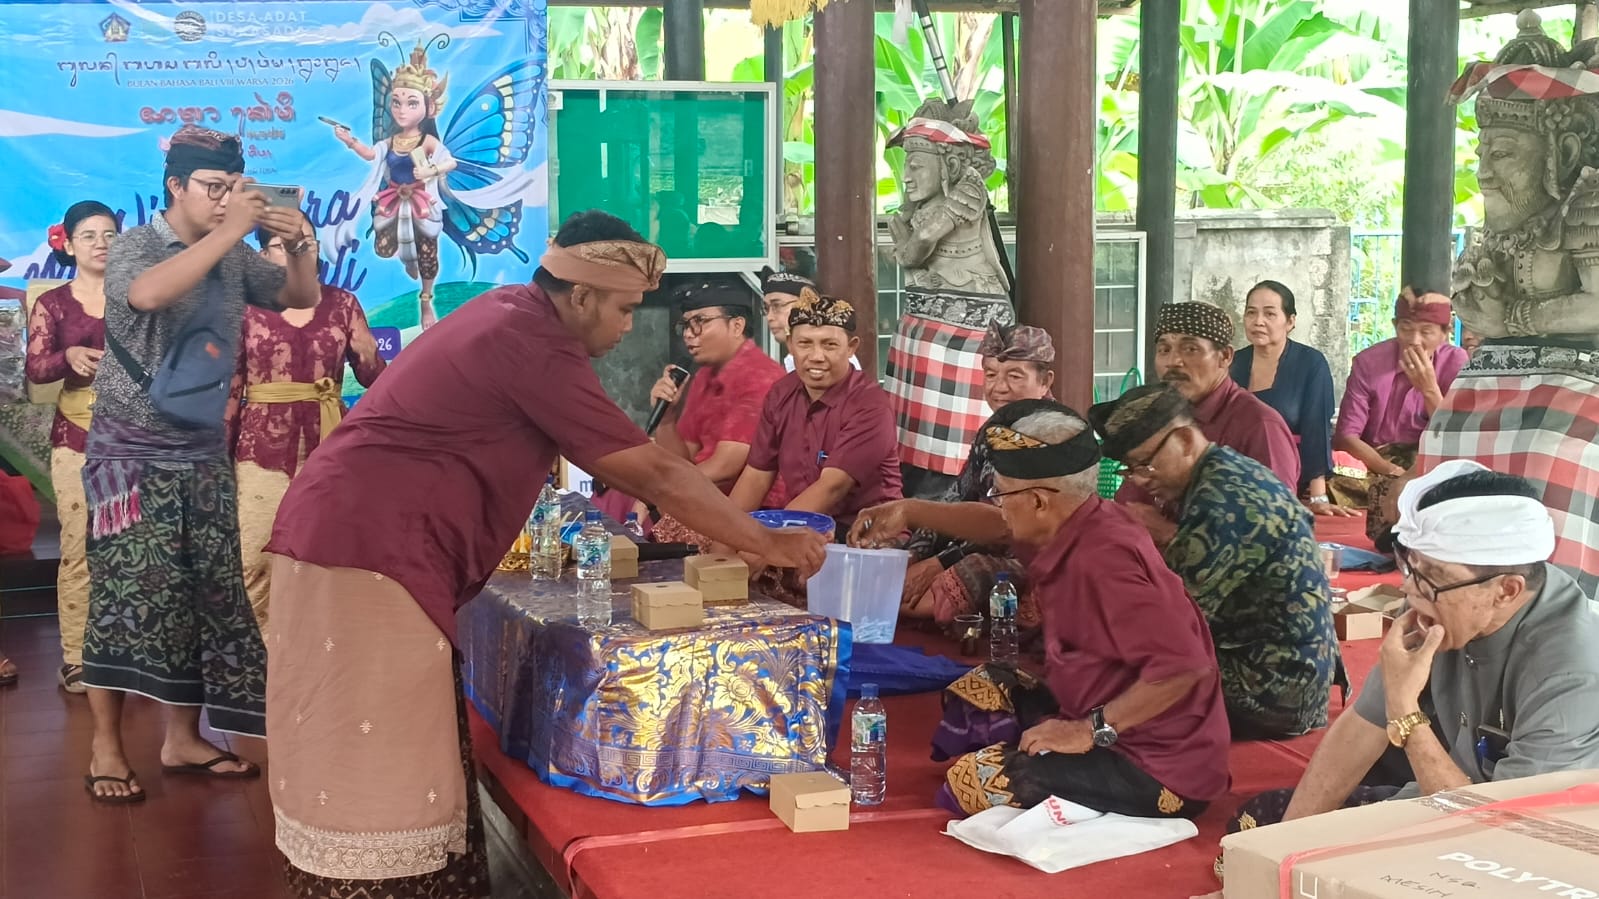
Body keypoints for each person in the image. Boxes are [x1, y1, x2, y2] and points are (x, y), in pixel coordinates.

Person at [263, 211, 826, 899]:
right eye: (622, 308)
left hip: (357, 540)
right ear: (581, 296)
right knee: (375, 763)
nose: (627, 327)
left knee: (399, 745)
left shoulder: (510, 312)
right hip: (364, 549)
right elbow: (651, 472)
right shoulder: (528, 339)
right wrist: (766, 541)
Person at [80, 124, 320, 804]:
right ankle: (105, 744)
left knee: (203, 597)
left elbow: (299, 297)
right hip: (130, 456)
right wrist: (231, 231)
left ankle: (181, 738)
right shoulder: (133, 246)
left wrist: (301, 245)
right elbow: (147, 296)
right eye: (213, 189)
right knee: (125, 602)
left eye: (234, 190)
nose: (225, 201)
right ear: (176, 186)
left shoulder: (234, 256)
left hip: (201, 451)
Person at [1230, 461, 1599, 833]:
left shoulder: (1572, 672)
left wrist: (1405, 711)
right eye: (1412, 568)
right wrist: (1287, 843)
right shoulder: (1440, 596)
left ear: (1506, 591)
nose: (1409, 590)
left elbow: (1496, 832)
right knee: (1264, 824)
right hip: (1454, 790)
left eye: (1432, 576)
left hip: (1528, 837)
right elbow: (1363, 725)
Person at [925, 400, 1230, 818]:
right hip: (1099, 709)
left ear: (1038, 502)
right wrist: (907, 510)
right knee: (982, 689)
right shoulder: (1081, 520)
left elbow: (1185, 667)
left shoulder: (1104, 559)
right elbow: (995, 526)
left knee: (974, 781)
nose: (997, 504)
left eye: (1000, 493)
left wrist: (1089, 730)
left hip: (1159, 765)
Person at [1090, 385, 1342, 739]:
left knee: (1105, 673)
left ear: (1188, 441)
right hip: (1268, 664)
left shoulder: (1226, 499)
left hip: (1275, 688)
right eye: (1131, 470)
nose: (1142, 481)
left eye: (1146, 465)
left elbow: (1171, 619)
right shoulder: (1220, 472)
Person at [228, 225, 387, 629]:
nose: (296, 252)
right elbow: (230, 388)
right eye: (281, 245)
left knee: (328, 558)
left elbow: (375, 380)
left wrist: (369, 355)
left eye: (305, 244)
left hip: (329, 451)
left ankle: (322, 656)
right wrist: (217, 458)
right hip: (260, 450)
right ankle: (264, 660)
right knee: (255, 557)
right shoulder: (245, 309)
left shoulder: (342, 303)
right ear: (264, 256)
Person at [849, 321, 1055, 632]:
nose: (999, 387)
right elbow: (957, 496)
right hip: (977, 541)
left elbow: (1008, 529)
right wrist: (914, 555)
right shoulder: (994, 429)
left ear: (1045, 381)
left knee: (953, 582)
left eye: (1014, 376)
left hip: (1031, 553)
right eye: (990, 374)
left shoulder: (1054, 433)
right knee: (889, 567)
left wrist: (939, 563)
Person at [25, 200, 118, 694]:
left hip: (133, 442)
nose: (101, 244)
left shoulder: (138, 298)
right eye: (90, 235)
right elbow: (36, 369)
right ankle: (77, 656)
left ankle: (129, 654)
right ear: (69, 243)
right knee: (81, 548)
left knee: (129, 551)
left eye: (109, 234)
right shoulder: (54, 304)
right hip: (77, 440)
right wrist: (69, 355)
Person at [729, 290, 903, 535]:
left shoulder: (869, 404)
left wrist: (767, 545)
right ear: (790, 345)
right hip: (799, 524)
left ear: (851, 347)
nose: (816, 357)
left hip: (867, 534)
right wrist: (725, 541)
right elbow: (756, 476)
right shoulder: (781, 394)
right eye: (805, 344)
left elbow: (832, 488)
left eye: (830, 345)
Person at [1118, 302, 1299, 527]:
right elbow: (1129, 505)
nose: (1173, 362)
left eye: (1190, 349)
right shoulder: (1155, 419)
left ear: (1225, 357)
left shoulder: (1260, 425)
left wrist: (1169, 535)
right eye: (1164, 350)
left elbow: (1278, 528)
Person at [644, 279, 787, 544]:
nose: (689, 334)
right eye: (685, 325)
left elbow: (726, 467)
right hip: (707, 505)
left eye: (699, 321)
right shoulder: (703, 377)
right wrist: (666, 420)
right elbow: (684, 460)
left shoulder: (760, 377)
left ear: (736, 325)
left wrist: (659, 487)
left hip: (755, 519)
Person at [1329, 288, 1468, 539]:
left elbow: (1454, 434)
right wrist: (1390, 470)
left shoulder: (1457, 362)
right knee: (1339, 477)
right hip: (1376, 459)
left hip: (1427, 459)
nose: (1414, 339)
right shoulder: (1368, 362)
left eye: (1426, 331)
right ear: (1394, 326)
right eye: (1406, 328)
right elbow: (1347, 436)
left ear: (1445, 334)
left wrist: (1428, 388)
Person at [1229, 280, 1349, 515]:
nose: (1258, 321)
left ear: (1290, 321)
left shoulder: (1311, 363)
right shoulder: (1233, 362)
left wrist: (1318, 496)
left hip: (1289, 477)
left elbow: (1316, 430)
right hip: (1235, 475)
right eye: (1251, 313)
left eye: (1270, 314)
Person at [759, 268, 858, 374]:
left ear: (808, 303)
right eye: (766, 308)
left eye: (777, 306)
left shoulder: (838, 358)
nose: (769, 317)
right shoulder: (791, 361)